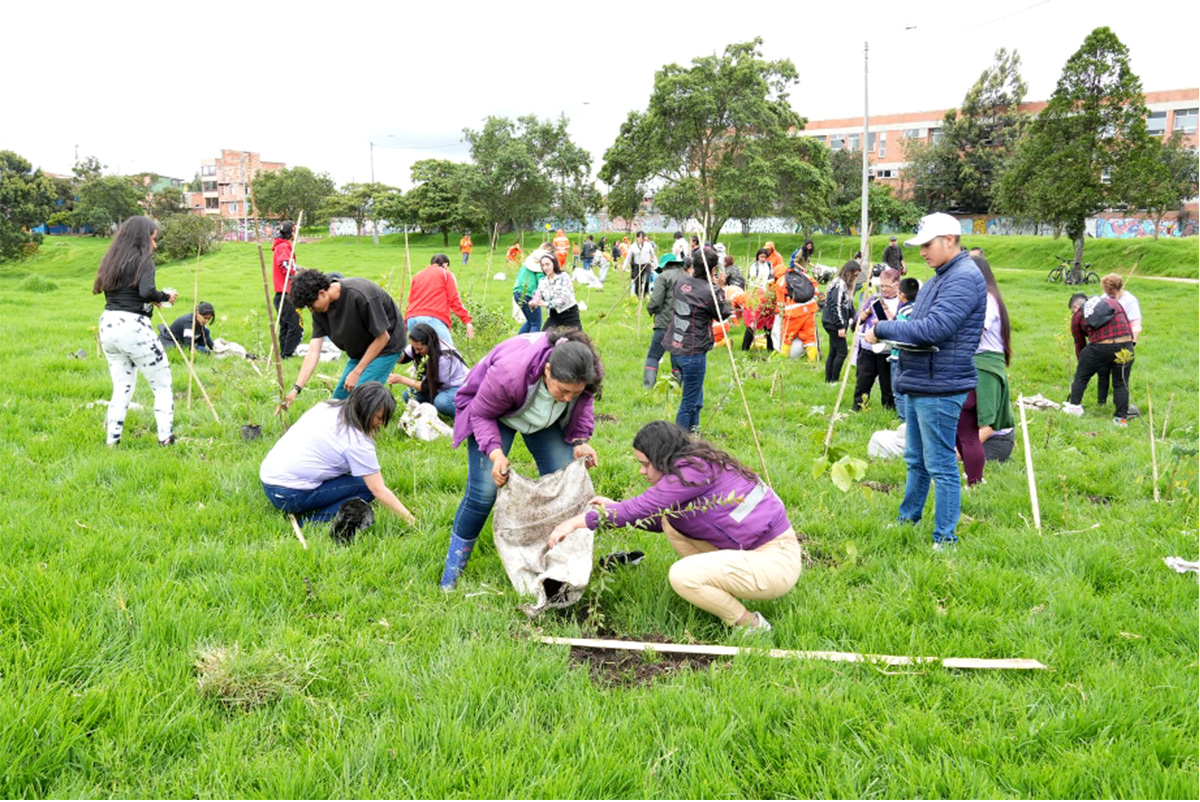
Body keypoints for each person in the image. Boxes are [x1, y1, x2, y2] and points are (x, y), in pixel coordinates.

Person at [547, 421, 801, 631]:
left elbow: (644, 506)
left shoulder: (692, 471)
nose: (641, 472)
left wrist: (577, 523)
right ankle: (716, 593)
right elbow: (656, 515)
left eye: (646, 464)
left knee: (682, 575)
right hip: (753, 551)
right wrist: (616, 509)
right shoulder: (693, 465)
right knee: (671, 521)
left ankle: (751, 626)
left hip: (775, 561)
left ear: (663, 458)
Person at [442, 329, 603, 588]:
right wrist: (496, 454)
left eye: (574, 392)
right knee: (483, 493)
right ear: (547, 370)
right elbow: (481, 414)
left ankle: (561, 567)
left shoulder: (583, 368)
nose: (568, 398)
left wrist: (581, 441)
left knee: (566, 484)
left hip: (542, 419)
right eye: (563, 391)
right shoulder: (510, 373)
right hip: (495, 413)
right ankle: (451, 573)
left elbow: (583, 402)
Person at [865, 213, 987, 549]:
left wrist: (882, 330)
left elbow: (932, 330)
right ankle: (909, 518)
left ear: (950, 239)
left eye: (927, 244)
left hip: (942, 384)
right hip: (923, 380)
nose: (922, 252)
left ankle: (945, 538)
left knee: (941, 464)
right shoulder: (938, 278)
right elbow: (917, 325)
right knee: (916, 459)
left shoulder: (963, 278)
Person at [260, 383, 410, 528]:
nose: (380, 423)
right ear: (364, 411)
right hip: (289, 494)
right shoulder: (356, 441)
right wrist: (411, 520)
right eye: (378, 418)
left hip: (268, 480)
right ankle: (311, 523)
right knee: (366, 488)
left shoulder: (328, 405)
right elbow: (378, 489)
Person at [92, 216, 177, 446]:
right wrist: (164, 297)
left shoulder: (111, 259)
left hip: (108, 325)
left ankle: (112, 441)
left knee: (121, 387)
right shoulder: (143, 260)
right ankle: (166, 439)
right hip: (133, 327)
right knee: (162, 385)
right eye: (153, 239)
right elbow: (146, 291)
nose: (155, 245)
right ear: (143, 238)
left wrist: (151, 298)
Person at [282, 269, 406, 406]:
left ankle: (369, 424)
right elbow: (313, 351)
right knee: (339, 400)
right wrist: (296, 389)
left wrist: (357, 371)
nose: (311, 310)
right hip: (361, 349)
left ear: (322, 293)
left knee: (361, 397)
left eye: (311, 306)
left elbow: (383, 337)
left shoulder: (360, 294)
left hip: (386, 346)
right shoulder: (320, 311)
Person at [664, 247, 731, 433]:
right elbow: (722, 314)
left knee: (695, 395)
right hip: (692, 351)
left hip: (676, 348)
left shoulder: (680, 282)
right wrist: (721, 288)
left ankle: (694, 433)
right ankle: (680, 443)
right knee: (688, 402)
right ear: (713, 269)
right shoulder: (710, 291)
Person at [961, 255, 1015, 472]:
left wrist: (955, 453)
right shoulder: (983, 298)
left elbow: (988, 426)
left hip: (993, 443)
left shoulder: (987, 300)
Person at [1063, 291, 1136, 426]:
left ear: (1075, 307)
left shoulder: (1078, 314)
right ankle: (1121, 419)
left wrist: (1083, 365)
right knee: (1121, 383)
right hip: (1126, 344)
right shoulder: (1112, 302)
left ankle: (1074, 408)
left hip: (1100, 346)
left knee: (1081, 377)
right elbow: (1126, 322)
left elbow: (1079, 344)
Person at [387, 323, 468, 418]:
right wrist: (395, 351)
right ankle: (431, 413)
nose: (416, 352)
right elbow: (403, 357)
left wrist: (401, 379)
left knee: (441, 402)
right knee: (409, 396)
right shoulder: (419, 346)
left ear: (429, 344)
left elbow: (429, 386)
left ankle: (466, 416)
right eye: (414, 348)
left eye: (419, 349)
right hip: (439, 387)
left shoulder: (445, 357)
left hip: (457, 386)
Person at [852, 268, 901, 409]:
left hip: (888, 351)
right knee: (863, 382)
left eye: (887, 286)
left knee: (888, 386)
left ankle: (889, 411)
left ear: (897, 285)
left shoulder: (901, 302)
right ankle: (859, 408)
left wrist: (888, 314)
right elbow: (857, 322)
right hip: (868, 348)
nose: (884, 289)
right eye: (882, 285)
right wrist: (867, 312)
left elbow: (901, 325)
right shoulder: (874, 299)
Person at [405, 253, 474, 348]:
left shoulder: (418, 275)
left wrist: (405, 325)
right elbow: (454, 300)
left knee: (421, 353)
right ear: (445, 265)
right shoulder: (446, 274)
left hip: (412, 318)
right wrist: (467, 321)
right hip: (432, 318)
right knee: (449, 353)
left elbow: (411, 300)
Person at [1096, 273, 1141, 416]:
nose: (1108, 293)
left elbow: (1135, 324)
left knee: (1120, 378)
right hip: (1104, 342)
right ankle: (1101, 402)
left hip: (1123, 343)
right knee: (1103, 373)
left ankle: (1120, 409)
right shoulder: (1102, 299)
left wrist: (1131, 343)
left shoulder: (1130, 301)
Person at [644, 251, 689, 388]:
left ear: (665, 266)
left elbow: (656, 301)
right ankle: (677, 386)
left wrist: (650, 308)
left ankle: (648, 386)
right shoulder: (688, 278)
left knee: (653, 356)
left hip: (664, 323)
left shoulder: (663, 277)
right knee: (676, 355)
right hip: (683, 324)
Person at [773, 257, 820, 360]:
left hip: (794, 313)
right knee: (809, 337)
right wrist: (814, 298)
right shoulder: (803, 275)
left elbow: (780, 303)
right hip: (810, 309)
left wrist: (781, 314)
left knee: (787, 336)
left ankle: (783, 359)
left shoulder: (780, 282)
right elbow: (815, 285)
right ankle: (811, 361)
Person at [822, 260, 861, 383]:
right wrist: (840, 326)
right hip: (833, 322)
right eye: (855, 275)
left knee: (833, 351)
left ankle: (829, 380)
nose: (855, 278)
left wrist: (856, 317)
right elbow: (836, 305)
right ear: (848, 273)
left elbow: (848, 305)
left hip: (833, 322)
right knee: (842, 352)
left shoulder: (845, 285)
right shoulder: (839, 284)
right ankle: (834, 380)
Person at [890, 277, 920, 422]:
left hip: (899, 357)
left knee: (899, 392)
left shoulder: (904, 311)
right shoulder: (919, 309)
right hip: (915, 358)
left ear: (901, 294)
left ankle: (904, 422)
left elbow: (899, 334)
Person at [272, 220, 304, 358]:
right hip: (285, 294)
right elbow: (284, 265)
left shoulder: (283, 247)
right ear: (291, 232)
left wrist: (299, 268)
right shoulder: (283, 247)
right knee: (296, 326)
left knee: (286, 326)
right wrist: (296, 274)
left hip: (283, 294)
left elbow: (288, 264)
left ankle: (284, 354)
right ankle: (288, 354)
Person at [529, 251, 581, 331]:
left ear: (554, 264)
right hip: (554, 315)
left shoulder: (564, 277)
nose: (545, 267)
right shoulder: (542, 281)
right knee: (545, 338)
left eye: (547, 264)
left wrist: (546, 304)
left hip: (569, 313)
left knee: (576, 339)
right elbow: (538, 297)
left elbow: (564, 299)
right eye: (543, 265)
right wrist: (533, 303)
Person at [513, 244, 550, 334]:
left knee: (530, 321)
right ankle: (532, 346)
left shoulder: (526, 266)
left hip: (517, 292)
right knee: (536, 323)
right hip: (529, 294)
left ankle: (519, 343)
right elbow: (542, 285)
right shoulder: (539, 271)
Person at [625, 230, 657, 298]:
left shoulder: (648, 245)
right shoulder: (633, 247)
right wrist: (624, 267)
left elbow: (653, 255)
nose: (641, 240)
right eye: (640, 238)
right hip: (637, 265)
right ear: (637, 238)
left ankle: (645, 293)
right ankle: (638, 295)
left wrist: (657, 266)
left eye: (643, 238)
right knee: (637, 281)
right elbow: (628, 258)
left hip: (646, 264)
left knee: (647, 279)